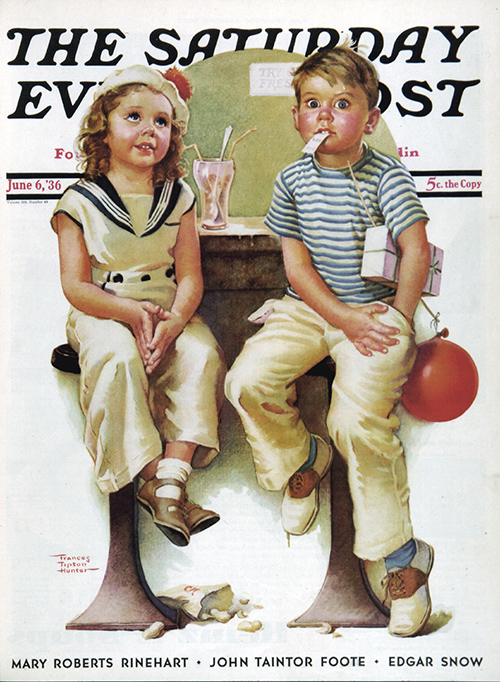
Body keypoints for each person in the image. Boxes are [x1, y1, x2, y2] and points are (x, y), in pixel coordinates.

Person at [225, 45, 433, 637]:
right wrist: (338, 317)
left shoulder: (386, 174)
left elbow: (414, 248)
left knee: (355, 422)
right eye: (312, 104)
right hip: (314, 309)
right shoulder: (292, 180)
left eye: (342, 105)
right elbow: (297, 270)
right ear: (296, 117)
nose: (324, 115)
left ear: (369, 119)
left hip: (375, 313)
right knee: (247, 380)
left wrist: (398, 313)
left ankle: (403, 562)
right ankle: (300, 459)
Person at [52, 64, 226, 548]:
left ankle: (174, 477)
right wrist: (130, 315)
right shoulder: (79, 201)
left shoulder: (178, 196)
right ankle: (155, 481)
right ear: (102, 129)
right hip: (101, 308)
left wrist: (172, 324)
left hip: (167, 309)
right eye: (134, 117)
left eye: (162, 122)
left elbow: (190, 275)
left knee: (201, 354)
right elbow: (75, 286)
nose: (150, 130)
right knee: (119, 356)